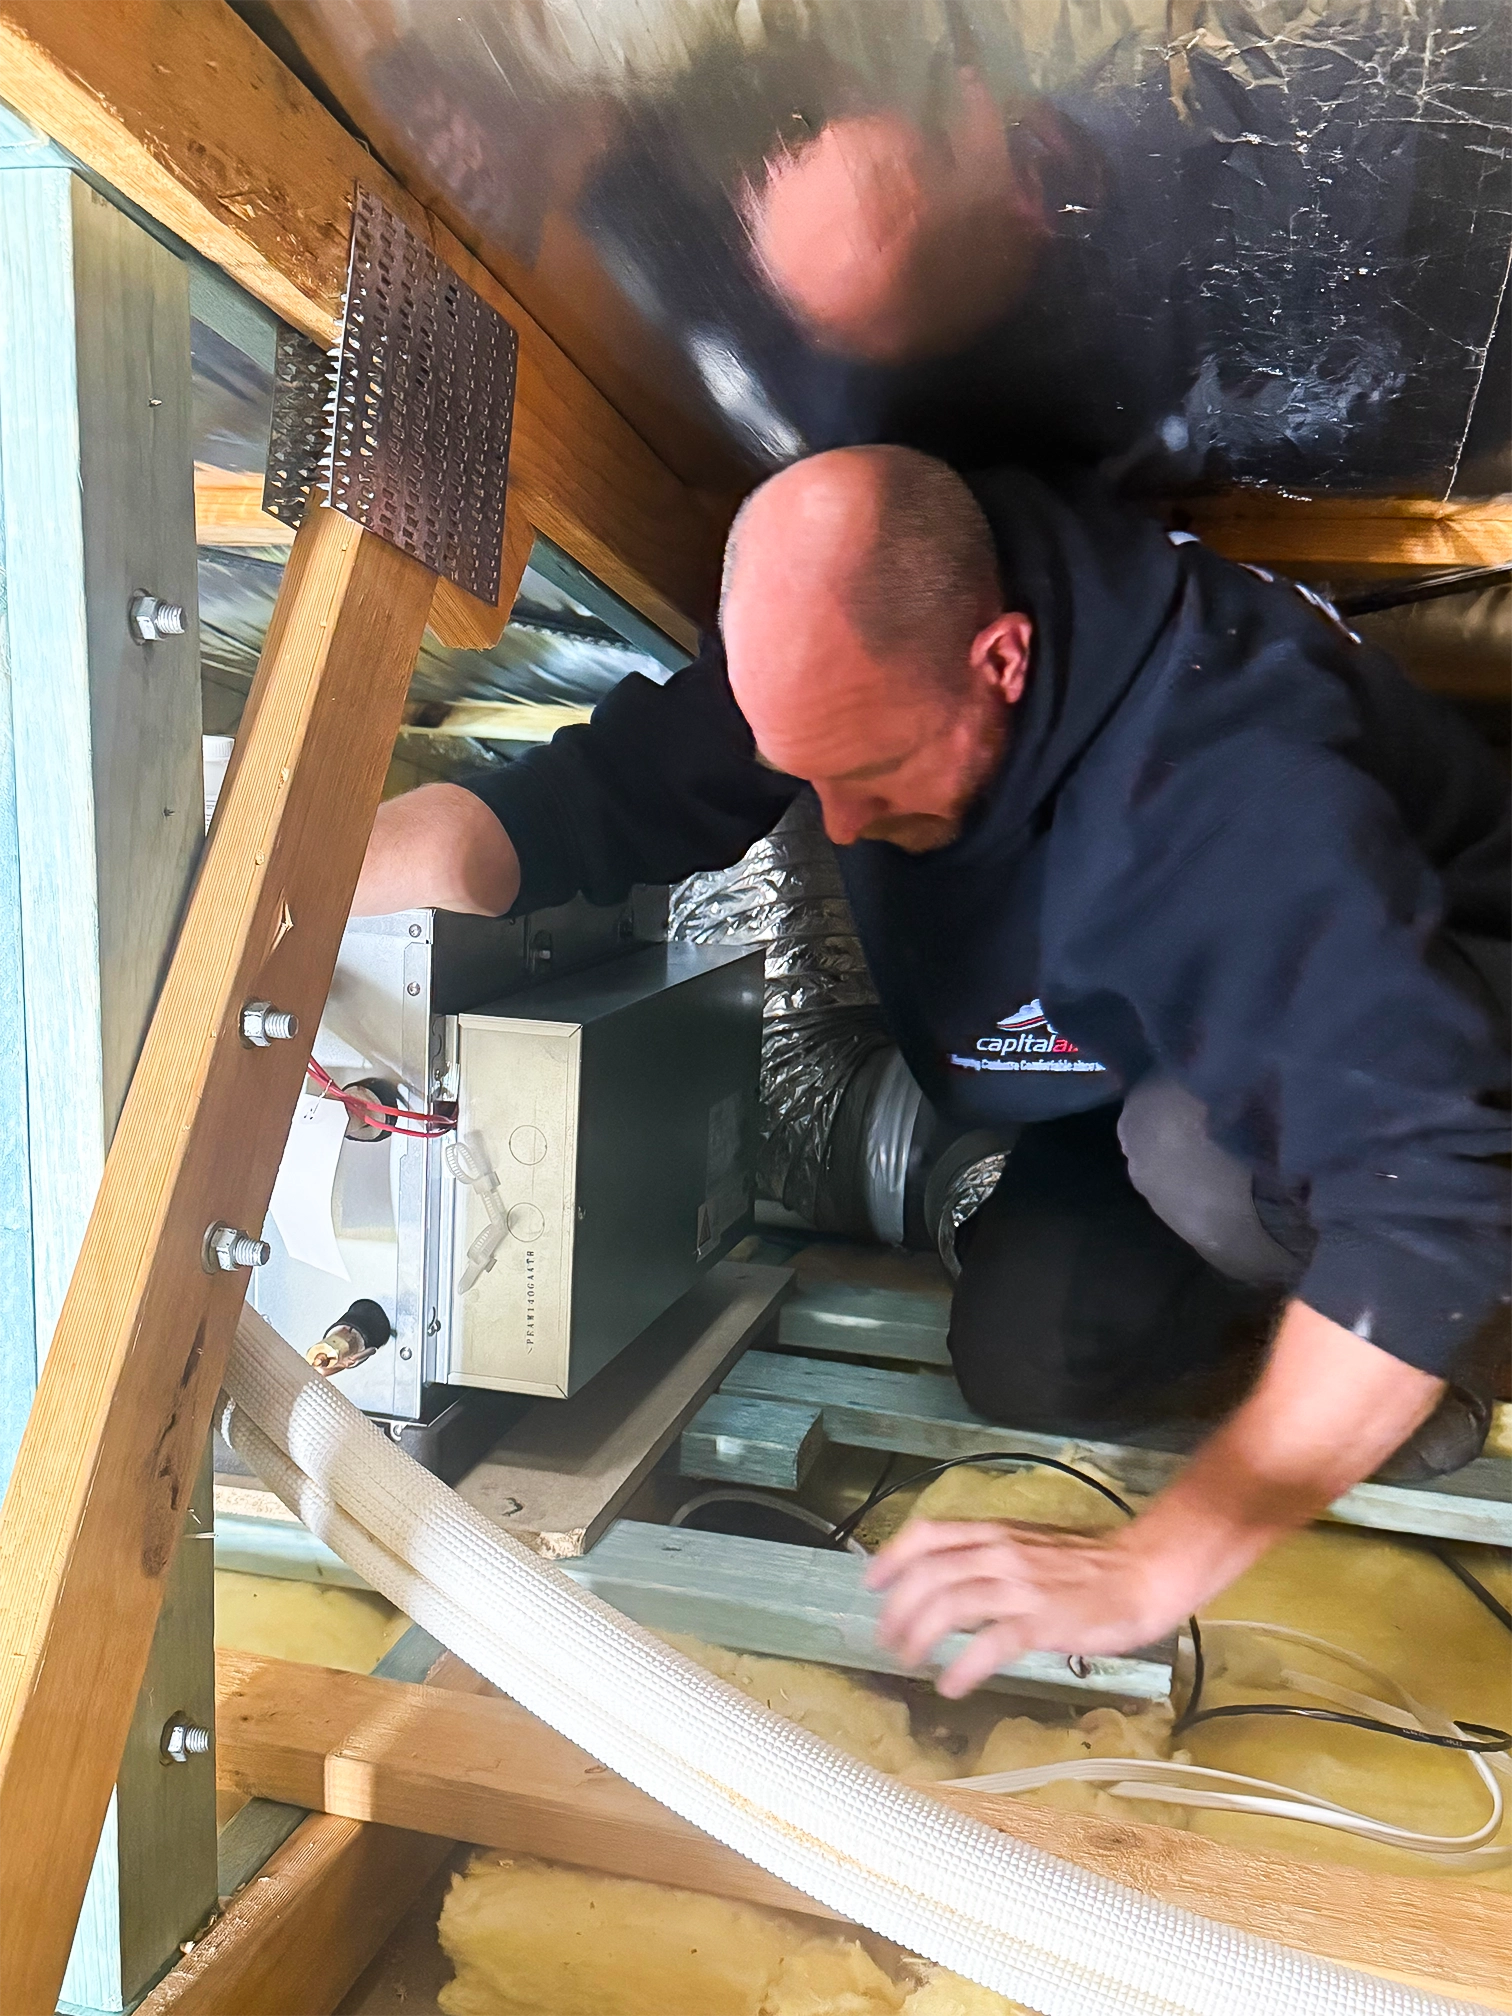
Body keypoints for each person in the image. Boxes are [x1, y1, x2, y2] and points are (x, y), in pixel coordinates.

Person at [356, 445, 1512, 1694]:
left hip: (1430, 1052)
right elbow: (581, 805)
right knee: (1033, 1358)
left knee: (1198, 1161)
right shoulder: (854, 627)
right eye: (807, 779)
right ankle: (1325, 1354)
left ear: (1001, 660)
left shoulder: (1230, 791)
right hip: (1141, 1050)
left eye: (870, 773)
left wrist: (1164, 1559)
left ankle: (1425, 1350)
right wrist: (273, 889)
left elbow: (1428, 1193)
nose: (842, 825)